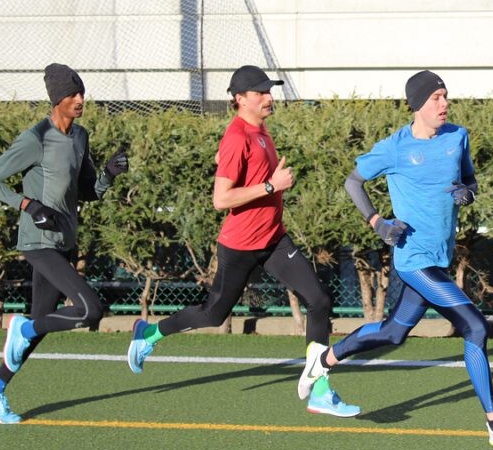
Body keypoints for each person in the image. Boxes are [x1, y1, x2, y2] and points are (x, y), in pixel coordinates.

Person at [295, 70, 493, 450]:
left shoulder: (457, 137)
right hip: (412, 259)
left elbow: (470, 181)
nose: (445, 104)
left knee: (393, 333)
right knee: (475, 327)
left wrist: (468, 193)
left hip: (438, 259)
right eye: (436, 98)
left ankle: (322, 360)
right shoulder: (394, 148)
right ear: (417, 105)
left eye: (446, 96)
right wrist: (377, 222)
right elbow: (352, 182)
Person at [126, 65, 358, 418]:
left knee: (319, 300)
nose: (268, 97)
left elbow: (238, 166)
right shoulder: (237, 136)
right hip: (240, 246)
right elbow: (221, 199)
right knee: (213, 314)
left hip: (274, 240)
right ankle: (148, 334)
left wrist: (264, 180)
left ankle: (321, 390)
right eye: (260, 92)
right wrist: (271, 185)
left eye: (269, 91)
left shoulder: (259, 131)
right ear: (240, 99)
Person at [0, 63, 129, 424]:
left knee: (42, 324)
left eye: (81, 93)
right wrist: (28, 205)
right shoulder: (35, 138)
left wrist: (108, 174)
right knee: (91, 310)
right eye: (72, 94)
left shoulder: (80, 137)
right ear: (56, 99)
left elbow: (87, 192)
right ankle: (23, 328)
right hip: (38, 242)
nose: (80, 100)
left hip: (64, 242)